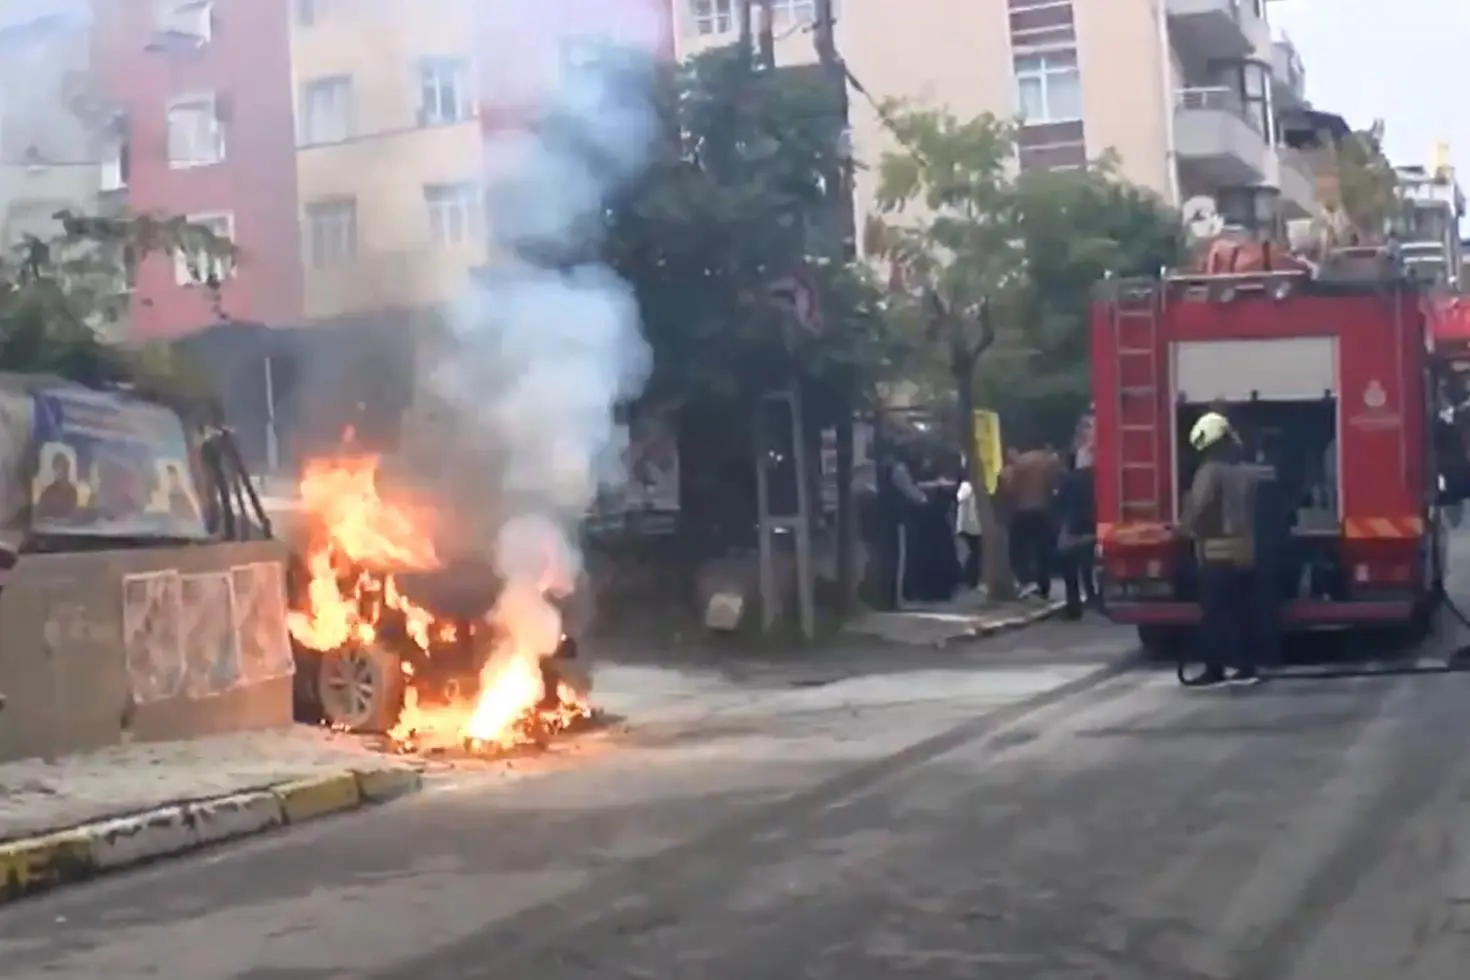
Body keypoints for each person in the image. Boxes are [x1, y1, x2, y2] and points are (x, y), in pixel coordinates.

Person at [1177, 410, 1264, 688]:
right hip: (1245, 552)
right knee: (1241, 613)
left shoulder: (1210, 471)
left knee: (1215, 616)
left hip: (1216, 553)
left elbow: (1201, 508)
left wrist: (1183, 530)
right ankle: (1246, 665)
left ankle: (1214, 668)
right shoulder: (1247, 471)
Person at [1002, 444, 1063, 598]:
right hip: (1043, 510)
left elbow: (1010, 489)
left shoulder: (1018, 465)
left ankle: (1027, 582)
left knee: (1019, 550)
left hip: (1021, 511)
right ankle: (1043, 586)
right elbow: (1055, 486)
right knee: (1043, 551)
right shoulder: (1048, 461)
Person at [1053, 453, 1097, 618]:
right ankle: (1093, 595)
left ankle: (1074, 604)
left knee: (1070, 568)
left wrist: (1062, 526)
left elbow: (1061, 503)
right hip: (1092, 522)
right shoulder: (1092, 476)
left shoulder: (1067, 480)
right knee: (1088, 562)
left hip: (1073, 526)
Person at [954, 464, 983, 590]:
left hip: (972, 525)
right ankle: (970, 579)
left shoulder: (971, 486)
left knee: (975, 553)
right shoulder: (967, 486)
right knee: (975, 553)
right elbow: (960, 498)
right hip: (970, 526)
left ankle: (972, 579)